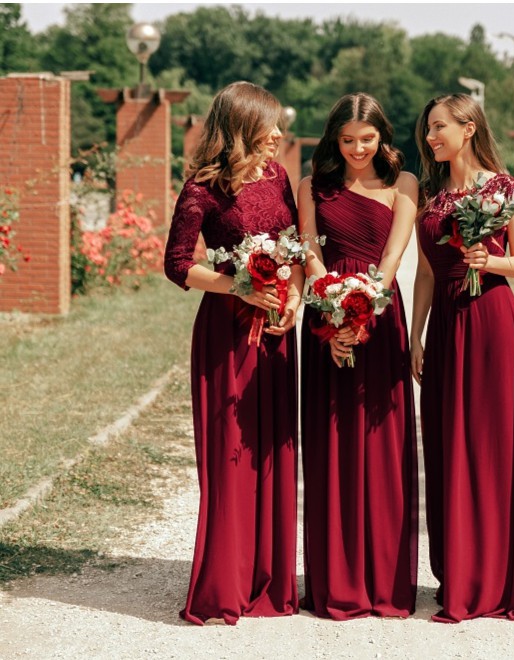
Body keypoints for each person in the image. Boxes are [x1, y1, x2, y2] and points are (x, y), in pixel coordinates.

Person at [411, 93, 514, 623]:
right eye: (428, 129)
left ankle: (505, 574)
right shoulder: (432, 197)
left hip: (490, 320)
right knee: (449, 441)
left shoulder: (505, 190)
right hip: (447, 324)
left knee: (494, 442)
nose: (431, 137)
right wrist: (415, 335)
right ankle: (463, 571)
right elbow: (428, 272)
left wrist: (492, 258)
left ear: (469, 126)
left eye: (439, 127)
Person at [164, 81, 303, 626]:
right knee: (231, 456)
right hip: (226, 337)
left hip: (275, 333)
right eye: (268, 125)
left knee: (271, 451)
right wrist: (236, 287)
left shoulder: (279, 176)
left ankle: (269, 579)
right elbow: (177, 264)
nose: (278, 134)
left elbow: (291, 242)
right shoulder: (202, 190)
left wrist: (290, 300)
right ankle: (224, 581)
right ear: (242, 127)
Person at [298, 93, 419, 620]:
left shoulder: (404, 184)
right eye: (346, 140)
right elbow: (309, 249)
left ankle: (385, 579)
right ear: (333, 138)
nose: (357, 149)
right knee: (332, 440)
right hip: (325, 314)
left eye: (366, 139)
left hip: (380, 310)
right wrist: (332, 312)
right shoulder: (311, 185)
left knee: (381, 442)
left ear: (382, 137)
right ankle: (336, 579)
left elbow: (393, 253)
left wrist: (363, 308)